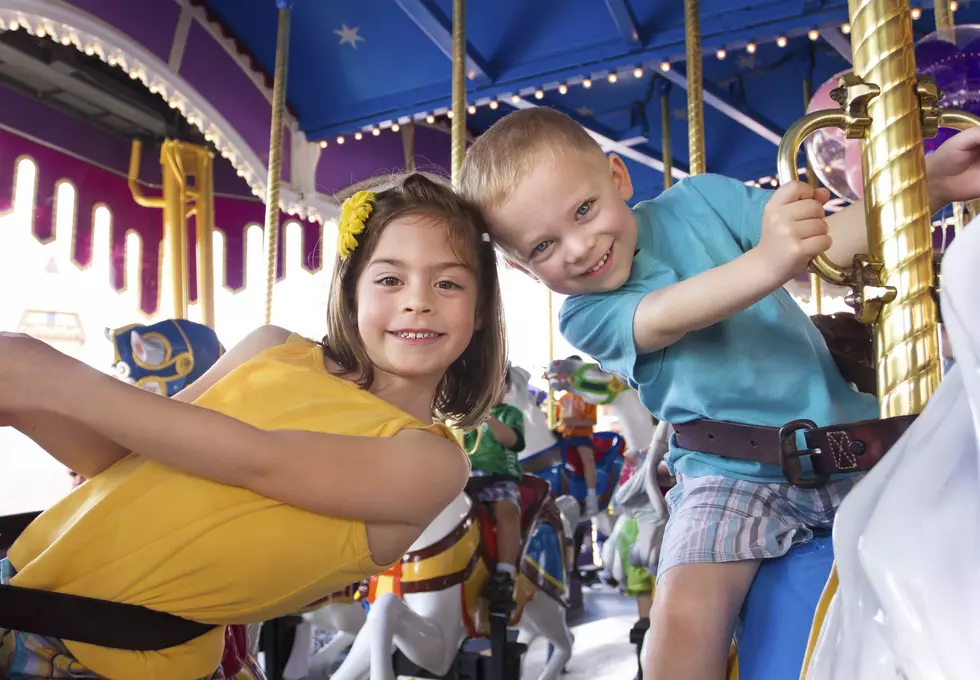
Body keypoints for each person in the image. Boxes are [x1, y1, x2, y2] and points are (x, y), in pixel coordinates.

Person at [458, 107, 980, 679]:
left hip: (854, 443)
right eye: (543, 247)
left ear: (617, 177)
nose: (578, 247)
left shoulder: (702, 201)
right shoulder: (586, 314)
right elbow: (668, 315)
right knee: (682, 619)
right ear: (522, 268)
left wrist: (929, 183)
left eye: (584, 210)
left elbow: (825, 242)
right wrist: (770, 259)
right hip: (729, 477)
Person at [0, 172, 506, 680]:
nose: (418, 300)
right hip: (18, 586)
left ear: (480, 310)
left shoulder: (431, 463)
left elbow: (256, 460)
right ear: (352, 290)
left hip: (108, 659)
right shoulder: (271, 348)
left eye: (448, 283)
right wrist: (27, 404)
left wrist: (49, 376)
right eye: (390, 279)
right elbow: (119, 456)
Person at [464, 365, 526, 610]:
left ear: (507, 387)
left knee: (505, 509)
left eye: (497, 384)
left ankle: (505, 571)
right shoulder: (466, 418)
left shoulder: (509, 414)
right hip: (467, 479)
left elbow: (511, 441)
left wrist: (487, 416)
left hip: (500, 477)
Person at [555, 356, 599, 515]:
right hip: (565, 437)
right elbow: (557, 422)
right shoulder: (562, 399)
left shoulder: (587, 396)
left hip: (581, 436)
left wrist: (573, 421)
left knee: (586, 457)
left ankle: (591, 495)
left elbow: (591, 421)